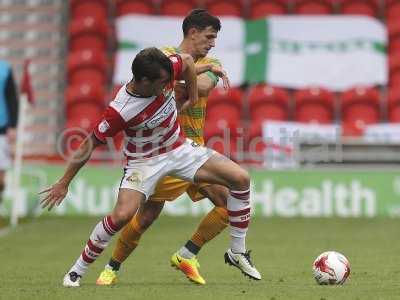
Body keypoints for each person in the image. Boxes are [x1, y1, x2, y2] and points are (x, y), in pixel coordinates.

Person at [40, 47, 261, 288]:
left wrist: (194, 94)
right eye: (164, 83)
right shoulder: (120, 110)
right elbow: (89, 143)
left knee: (241, 178)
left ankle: (236, 251)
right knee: (123, 216)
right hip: (143, 162)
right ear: (144, 81)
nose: (168, 86)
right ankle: (77, 271)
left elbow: (186, 61)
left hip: (179, 149)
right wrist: (64, 182)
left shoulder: (165, 68)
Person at [96, 9, 238, 286]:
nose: (212, 43)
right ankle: (112, 267)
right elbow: (168, 86)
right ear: (192, 32)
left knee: (229, 203)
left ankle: (187, 254)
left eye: (215, 38)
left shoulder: (212, 61)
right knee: (146, 217)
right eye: (209, 36)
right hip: (163, 150)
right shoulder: (160, 56)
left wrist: (184, 77)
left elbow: (205, 88)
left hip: (193, 150)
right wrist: (185, 77)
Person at [0, 60, 18, 216]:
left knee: (1, 175)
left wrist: (13, 125)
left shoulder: (5, 69)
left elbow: (12, 98)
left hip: (1, 128)